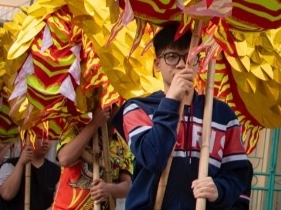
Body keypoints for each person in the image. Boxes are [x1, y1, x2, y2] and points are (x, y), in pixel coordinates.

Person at [120, 22, 251, 209]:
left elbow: (238, 174)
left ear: (199, 62)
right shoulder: (138, 109)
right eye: (171, 56)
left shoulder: (222, 115)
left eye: (189, 56)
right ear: (157, 64)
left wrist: (219, 189)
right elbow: (153, 157)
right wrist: (172, 100)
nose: (182, 64)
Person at [52, 105, 133, 209]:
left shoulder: (123, 144)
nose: (116, 108)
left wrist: (109, 189)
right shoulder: (76, 127)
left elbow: (127, 186)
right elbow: (64, 158)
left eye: (119, 104)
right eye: (113, 103)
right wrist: (94, 124)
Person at [0, 134, 60, 210]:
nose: (45, 141)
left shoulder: (55, 170)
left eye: (49, 138)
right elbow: (6, 194)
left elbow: (59, 202)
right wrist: (21, 163)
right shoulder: (9, 165)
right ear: (26, 141)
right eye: (39, 137)